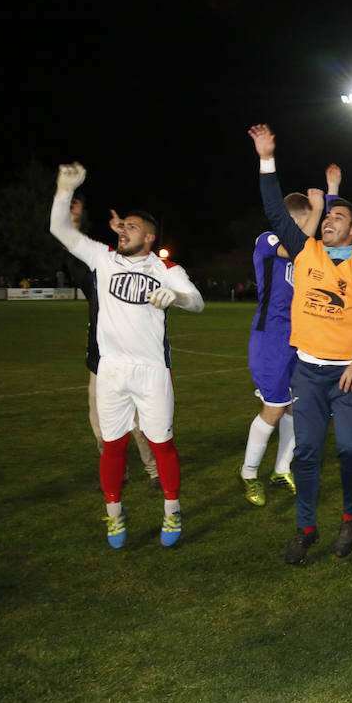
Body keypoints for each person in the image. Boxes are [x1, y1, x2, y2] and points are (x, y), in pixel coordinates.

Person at [250, 124, 352, 565]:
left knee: (350, 452)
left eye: (338, 218)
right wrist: (266, 158)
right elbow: (275, 210)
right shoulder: (304, 250)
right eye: (326, 217)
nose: (328, 221)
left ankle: (349, 519)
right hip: (308, 373)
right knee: (306, 455)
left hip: (348, 376)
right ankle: (305, 529)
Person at [49, 163, 205, 549]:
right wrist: (64, 190)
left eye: (132, 227)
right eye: (122, 227)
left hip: (152, 370)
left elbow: (198, 302)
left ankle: (172, 509)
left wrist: (178, 296)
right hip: (112, 369)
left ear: (149, 237)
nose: (123, 231)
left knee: (160, 443)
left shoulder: (165, 267)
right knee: (113, 444)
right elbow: (60, 231)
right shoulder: (103, 259)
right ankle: (114, 515)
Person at [64, 196, 159, 491]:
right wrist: (74, 223)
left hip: (134, 362)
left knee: (140, 424)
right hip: (100, 364)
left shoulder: (141, 275)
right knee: (102, 425)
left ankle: (155, 471)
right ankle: (116, 471)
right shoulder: (96, 277)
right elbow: (72, 257)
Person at [240, 188, 322, 506]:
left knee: (294, 407)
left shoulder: (306, 249)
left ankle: (280, 469)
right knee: (274, 407)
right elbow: (297, 249)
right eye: (301, 223)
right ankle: (248, 473)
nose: (305, 230)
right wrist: (316, 211)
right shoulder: (268, 240)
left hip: (299, 338)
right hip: (270, 338)